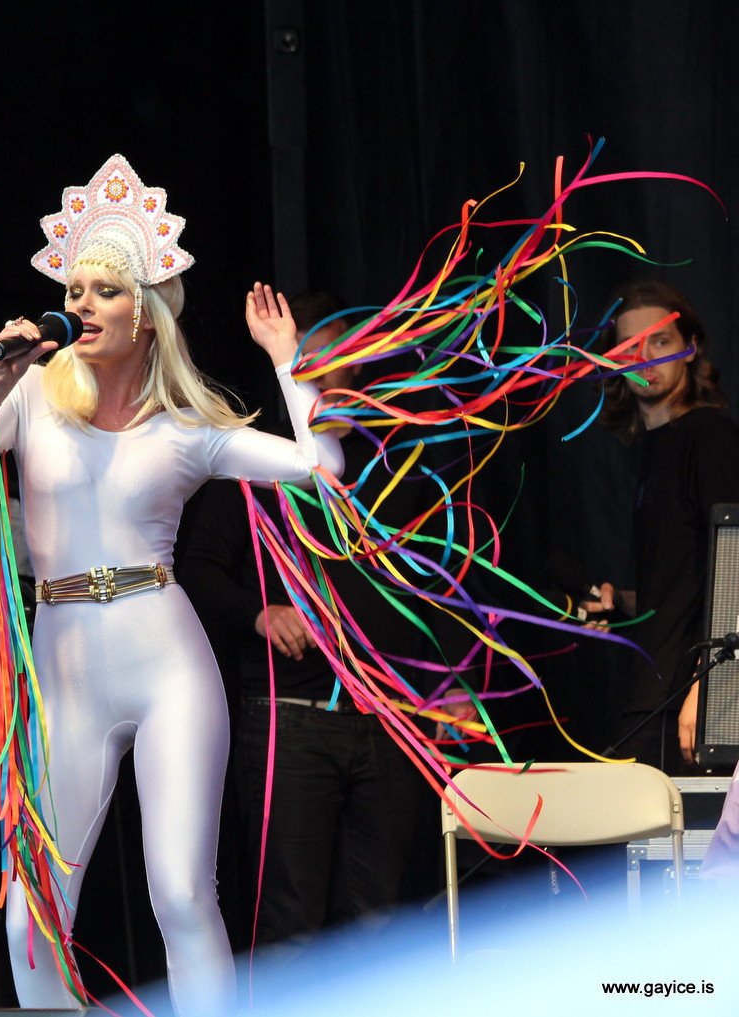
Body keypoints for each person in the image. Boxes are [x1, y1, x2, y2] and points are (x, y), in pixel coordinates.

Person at [0, 154, 343, 1016]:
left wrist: (291, 363)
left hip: (167, 657)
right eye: (75, 290)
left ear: (144, 312)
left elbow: (320, 470)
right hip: (66, 662)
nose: (81, 305)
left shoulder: (188, 426)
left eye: (103, 289)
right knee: (31, 913)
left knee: (182, 892)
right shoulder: (31, 394)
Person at [180, 292, 476, 953]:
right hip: (293, 719)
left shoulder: (397, 470)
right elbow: (197, 570)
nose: (331, 370)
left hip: (391, 722)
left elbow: (440, 581)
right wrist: (259, 613)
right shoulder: (260, 467)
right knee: (292, 921)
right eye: (313, 358)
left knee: (378, 919)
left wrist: (453, 680)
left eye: (345, 357)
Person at [581, 281, 739, 773]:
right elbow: (683, 581)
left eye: (660, 341)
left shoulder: (708, 436)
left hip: (689, 707)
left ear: (690, 349)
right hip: (654, 694)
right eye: (631, 346)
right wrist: (625, 602)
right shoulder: (652, 452)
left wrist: (710, 693)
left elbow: (734, 563)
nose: (645, 357)